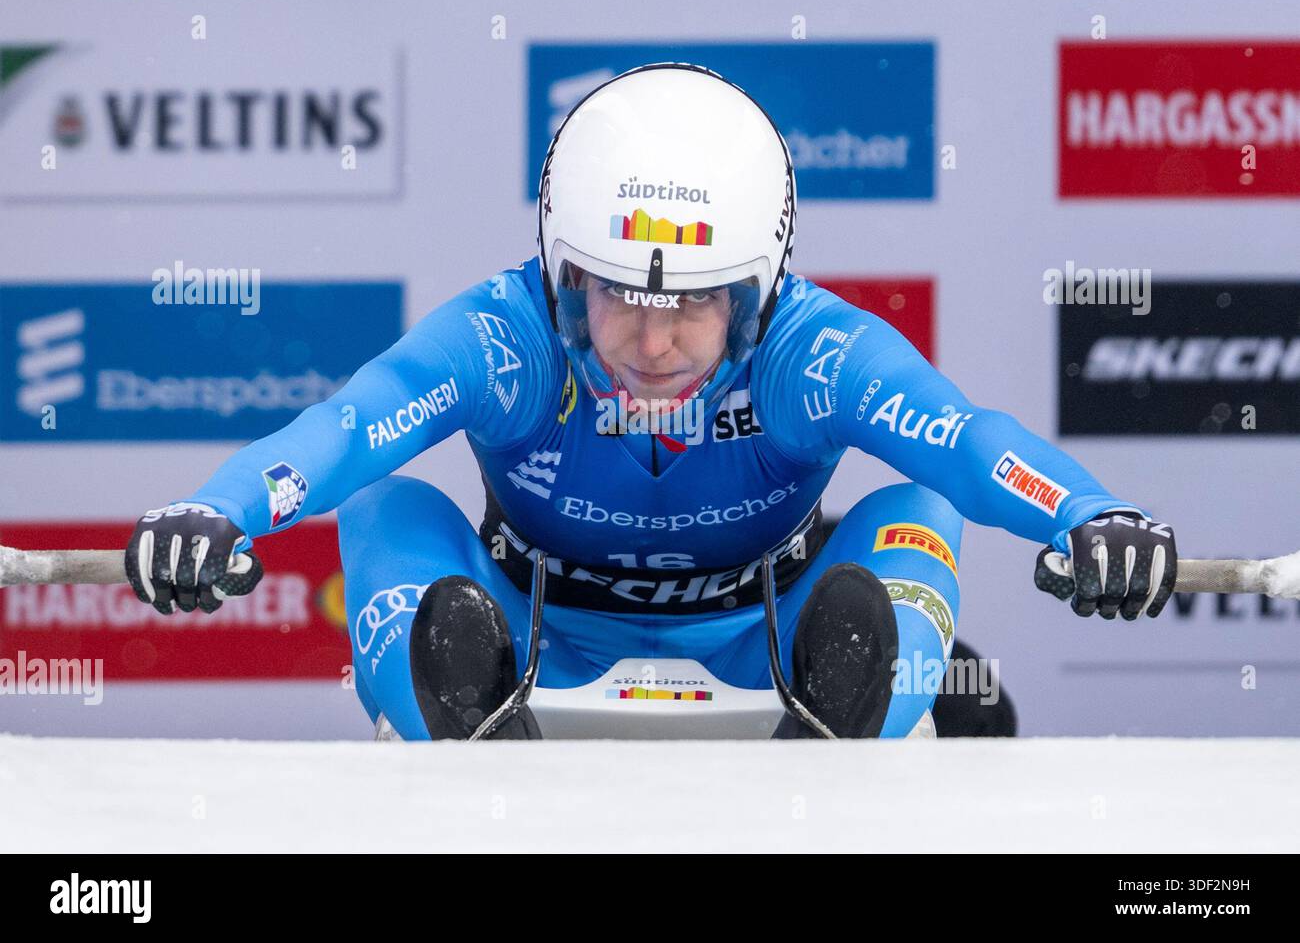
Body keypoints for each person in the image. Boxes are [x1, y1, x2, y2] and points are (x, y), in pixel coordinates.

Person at [123, 63, 1177, 740]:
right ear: (562, 272)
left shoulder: (814, 353)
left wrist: (1089, 514)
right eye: (619, 296)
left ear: (758, 292)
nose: (655, 341)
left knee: (921, 509)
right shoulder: (507, 337)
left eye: (698, 304)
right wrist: (221, 510)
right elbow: (357, 422)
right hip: (532, 635)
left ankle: (835, 730)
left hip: (766, 632)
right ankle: (473, 733)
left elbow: (963, 441)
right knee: (388, 506)